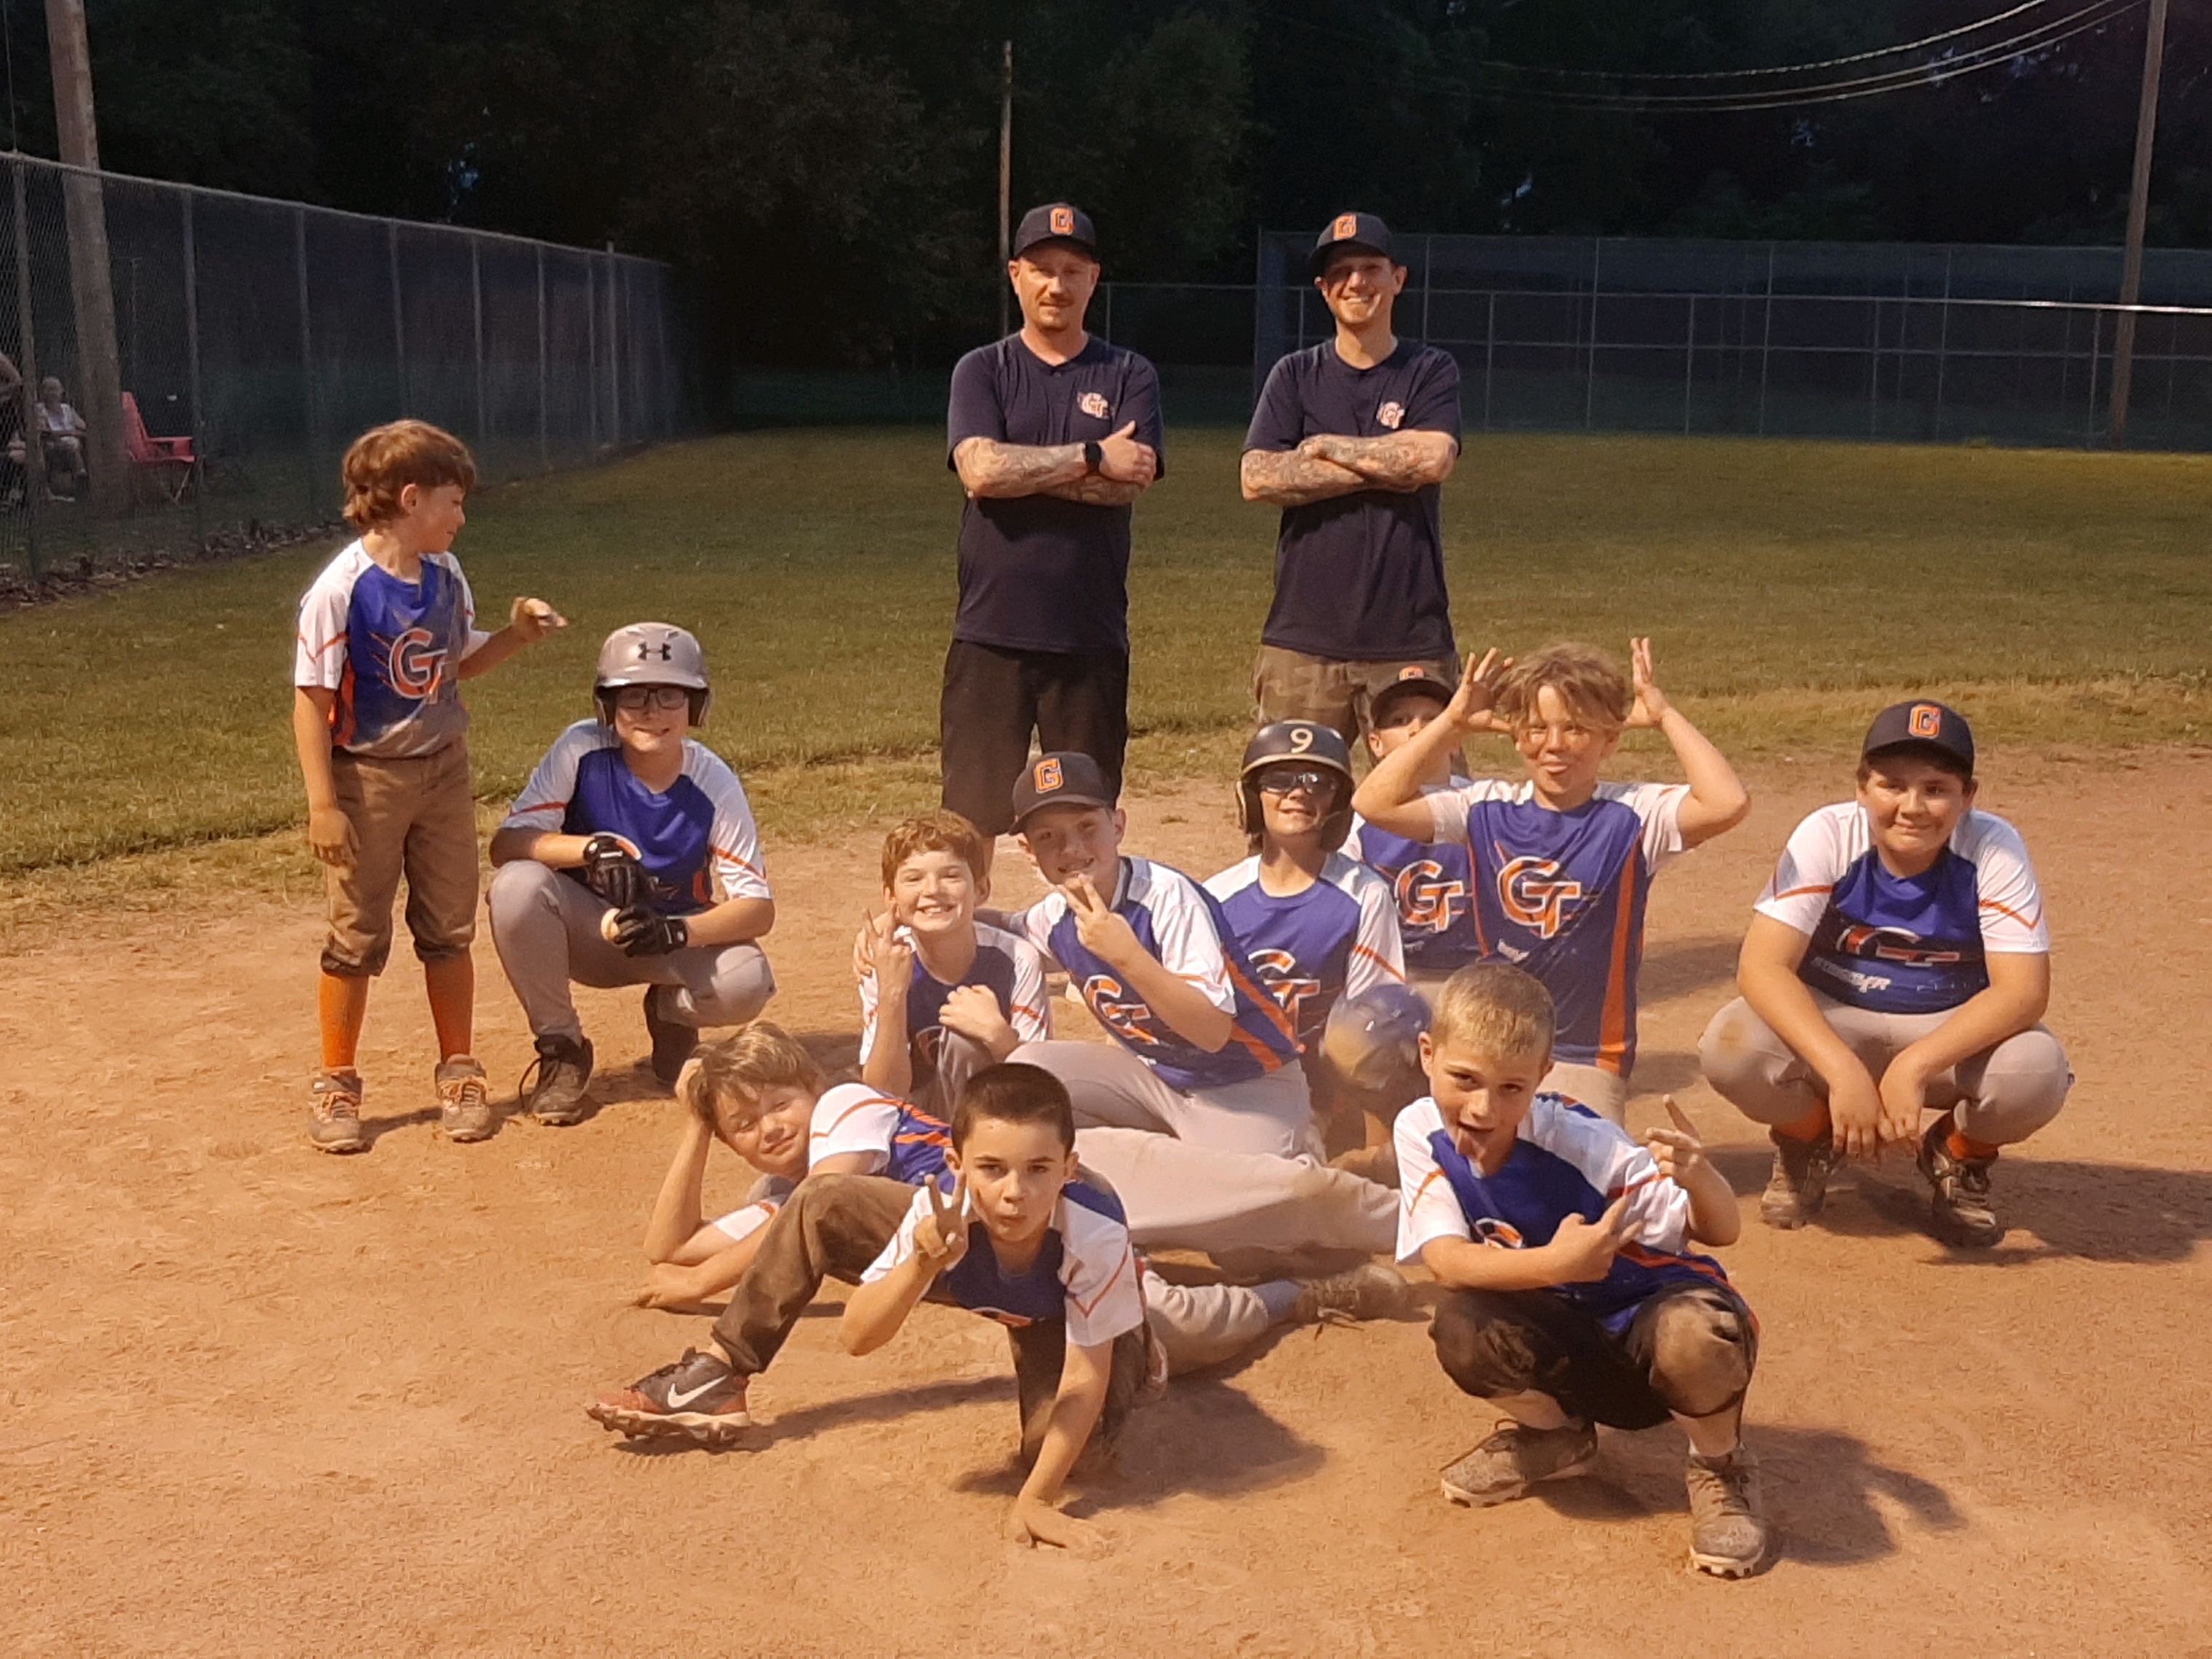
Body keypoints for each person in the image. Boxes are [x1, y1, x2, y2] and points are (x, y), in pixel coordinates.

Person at [590, 1058, 1405, 1553]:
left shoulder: (1073, 1210)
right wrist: (919, 1262)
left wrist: (1034, 1499)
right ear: (957, 1165)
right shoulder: (922, 1207)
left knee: (1244, 1238)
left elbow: (1082, 1374)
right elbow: (857, 1335)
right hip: (990, 1256)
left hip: (1078, 1222)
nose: (1011, 1193)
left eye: (777, 1103)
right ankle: (718, 1374)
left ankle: (1343, 1264)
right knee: (1065, 1441)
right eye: (741, 1122)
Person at [1396, 963, 1768, 1579]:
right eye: (1465, 1079)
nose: (1484, 1107)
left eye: (1511, 1088)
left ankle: (1720, 1464)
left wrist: (1701, 1177)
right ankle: (1557, 1436)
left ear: (1542, 1076)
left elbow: (1719, 1231)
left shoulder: (1586, 1145)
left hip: (1654, 1336)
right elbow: (1445, 1261)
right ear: (1427, 1055)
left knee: (1691, 1335)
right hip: (1569, 1333)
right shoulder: (1420, 1129)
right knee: (1461, 1324)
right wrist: (1560, 1262)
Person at [1698, 700, 2071, 1246]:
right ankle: (1812, 1138)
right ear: (1861, 788)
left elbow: (2023, 991)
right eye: (1891, 785)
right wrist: (1841, 1071)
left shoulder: (1992, 848)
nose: (1912, 807)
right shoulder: (1829, 833)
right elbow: (1762, 967)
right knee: (1732, 1048)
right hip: (1835, 1016)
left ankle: (1956, 1154)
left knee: (2036, 1072)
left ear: (1968, 796)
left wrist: (1914, 1067)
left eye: (1936, 789)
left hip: (1943, 1027)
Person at [1001, 752, 1399, 1259]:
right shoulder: (1054, 913)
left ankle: (1352, 1189)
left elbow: (1211, 1032)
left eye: (1085, 827)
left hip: (1247, 1087)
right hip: (1156, 1083)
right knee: (1028, 1071)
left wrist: (1125, 955)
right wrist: (929, 912)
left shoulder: (1166, 898)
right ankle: (1160, 1175)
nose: (1072, 849)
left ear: (1117, 825)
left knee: (1258, 1224)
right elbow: (1000, 932)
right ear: (1027, 850)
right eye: (1048, 837)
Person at [292, 420, 563, 1152]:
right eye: (453, 502)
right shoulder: (341, 590)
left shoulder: (446, 574)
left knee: (448, 927)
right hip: (368, 777)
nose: (461, 517)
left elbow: (456, 663)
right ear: (410, 499)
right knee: (356, 933)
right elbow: (311, 702)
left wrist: (515, 636)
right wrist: (323, 805)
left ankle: (459, 1069)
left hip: (444, 770)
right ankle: (337, 1081)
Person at [1352, 641, 1750, 1123]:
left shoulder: (1634, 816)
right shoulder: (1485, 808)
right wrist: (1450, 722)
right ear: (1517, 737)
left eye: (1576, 728)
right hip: (1492, 1041)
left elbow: (1727, 802)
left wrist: (1664, 715)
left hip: (1584, 1052)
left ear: (1610, 739)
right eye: (1537, 728)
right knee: (1475, 1157)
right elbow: (1373, 802)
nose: (1554, 745)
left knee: (1572, 1164)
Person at [486, 622, 776, 1123]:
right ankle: (562, 1048)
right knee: (516, 886)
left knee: (745, 981)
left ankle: (668, 1013)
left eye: (670, 695)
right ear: (607, 706)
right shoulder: (581, 750)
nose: (651, 711)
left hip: (669, 940)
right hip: (584, 934)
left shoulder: (712, 781)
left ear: (696, 706)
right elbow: (507, 844)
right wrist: (591, 849)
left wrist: (677, 931)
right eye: (633, 696)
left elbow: (758, 909)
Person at [941, 201, 1164, 841]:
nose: (1056, 285)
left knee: (1084, 821)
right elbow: (981, 471)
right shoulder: (983, 369)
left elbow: (1130, 483)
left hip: (1088, 637)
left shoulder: (1128, 374)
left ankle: (1082, 914)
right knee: (970, 823)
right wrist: (1091, 456)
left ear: (1093, 280)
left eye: (1072, 270)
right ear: (1016, 275)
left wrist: (1024, 471)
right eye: (1041, 269)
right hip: (990, 633)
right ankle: (972, 915)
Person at [1240, 212, 1462, 749]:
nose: (1356, 282)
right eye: (1340, 272)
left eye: (1370, 268)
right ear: (1323, 288)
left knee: (1428, 797)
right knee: (1291, 795)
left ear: (1397, 279)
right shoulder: (1294, 375)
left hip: (1410, 636)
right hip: (1303, 640)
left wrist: (1326, 448)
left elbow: (1432, 460)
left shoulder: (1429, 370)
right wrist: (1387, 465)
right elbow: (1258, 478)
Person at [1202, 720, 1405, 1150]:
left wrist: (1347, 1120)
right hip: (1234, 1083)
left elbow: (1375, 1022)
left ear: (1339, 804)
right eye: (1279, 780)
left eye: (1318, 782)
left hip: (1325, 1094)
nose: (1298, 793)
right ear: (1251, 798)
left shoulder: (1363, 894)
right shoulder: (1216, 897)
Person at [858, 809, 1050, 1118]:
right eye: (913, 879)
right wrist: (892, 995)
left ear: (981, 890)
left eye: (951, 876)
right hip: (914, 1117)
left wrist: (999, 1037)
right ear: (891, 898)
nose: (932, 890)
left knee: (967, 1042)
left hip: (995, 1115)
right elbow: (883, 1095)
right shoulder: (884, 959)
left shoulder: (1016, 958)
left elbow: (1042, 1085)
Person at [1341, 668, 1483, 994]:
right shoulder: (1356, 821)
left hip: (1478, 973)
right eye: (1400, 720)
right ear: (1375, 743)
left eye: (1433, 719)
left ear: (1455, 740)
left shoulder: (1481, 804)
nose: (1417, 729)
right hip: (1392, 974)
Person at [36, 375, 87, 500]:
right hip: (53, 445)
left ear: (62, 391)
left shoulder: (67, 409)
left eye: (56, 389)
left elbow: (83, 427)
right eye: (49, 389)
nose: (53, 393)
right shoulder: (40, 409)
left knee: (83, 445)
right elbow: (46, 433)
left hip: (74, 442)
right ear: (43, 392)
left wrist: (73, 433)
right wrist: (70, 432)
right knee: (68, 448)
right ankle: (81, 475)